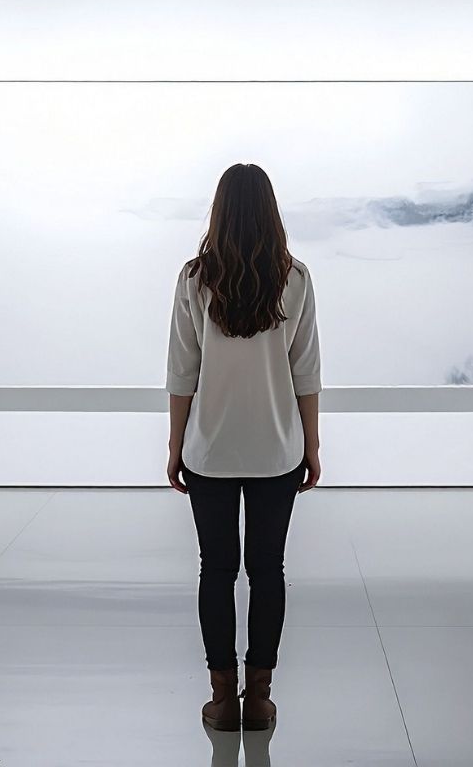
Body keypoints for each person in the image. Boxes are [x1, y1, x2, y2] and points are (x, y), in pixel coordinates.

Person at [165, 162, 322, 733]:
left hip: (209, 449)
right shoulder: (296, 278)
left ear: (220, 210)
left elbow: (182, 371)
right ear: (271, 211)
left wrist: (174, 444)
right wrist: (313, 446)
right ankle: (259, 698)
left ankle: (221, 696)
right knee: (268, 571)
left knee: (216, 570)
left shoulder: (193, 279)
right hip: (277, 449)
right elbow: (306, 372)